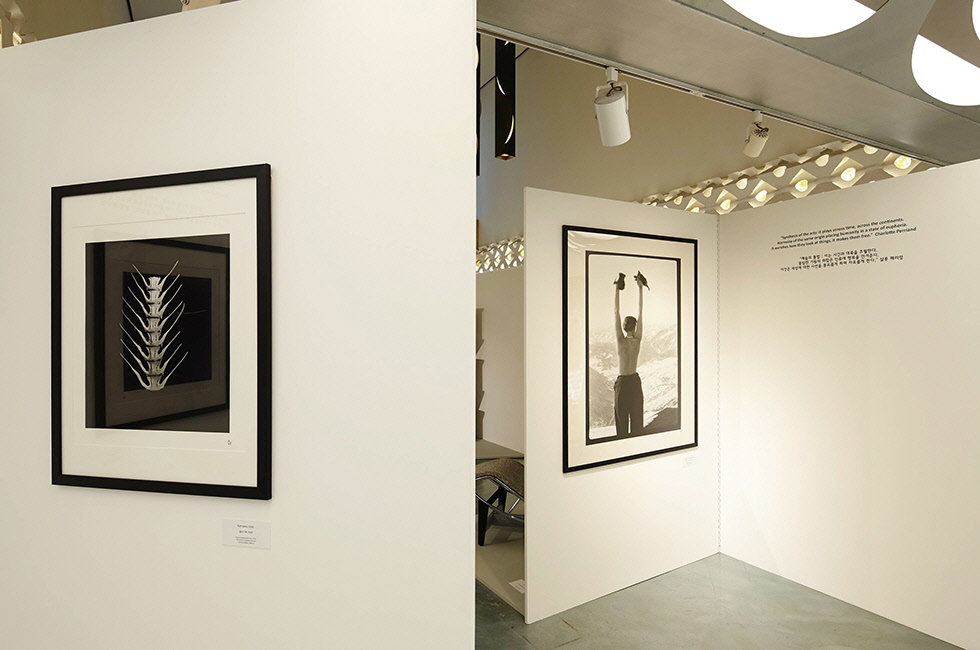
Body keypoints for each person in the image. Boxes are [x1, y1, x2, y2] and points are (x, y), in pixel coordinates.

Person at [613, 271, 646, 436]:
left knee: (621, 426)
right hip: (634, 381)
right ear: (635, 326)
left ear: (624, 327)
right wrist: (640, 288)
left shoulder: (620, 340)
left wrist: (617, 289)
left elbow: (616, 312)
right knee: (637, 424)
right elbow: (641, 312)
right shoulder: (637, 340)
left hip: (622, 384)